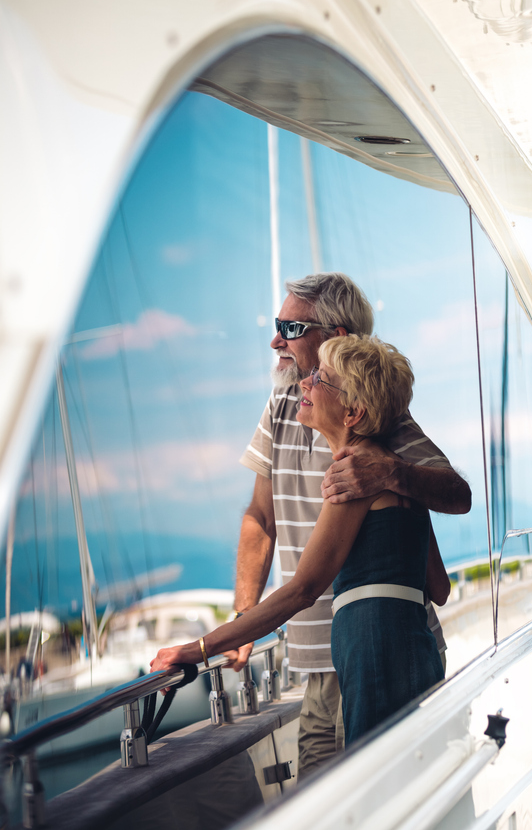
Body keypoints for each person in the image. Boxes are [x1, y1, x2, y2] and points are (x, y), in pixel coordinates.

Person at [231, 273, 469, 778]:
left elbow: (455, 492)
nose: (277, 340)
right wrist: (241, 620)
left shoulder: (384, 418)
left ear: (334, 336)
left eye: (290, 327)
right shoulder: (283, 409)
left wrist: (392, 471)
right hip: (317, 662)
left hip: (378, 648)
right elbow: (260, 518)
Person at [153, 334, 447, 742]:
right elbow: (440, 587)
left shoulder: (354, 476)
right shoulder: (394, 472)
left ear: (353, 412)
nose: (305, 384)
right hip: (411, 646)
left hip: (373, 650)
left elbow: (302, 590)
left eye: (320, 379)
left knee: (374, 789)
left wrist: (199, 649)